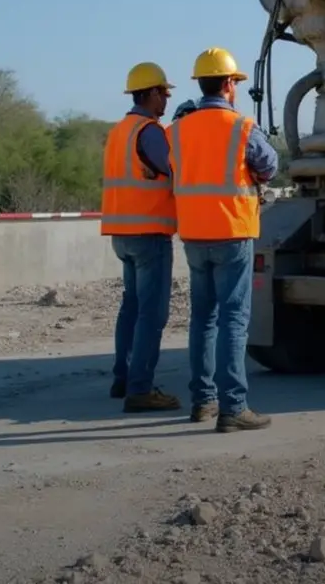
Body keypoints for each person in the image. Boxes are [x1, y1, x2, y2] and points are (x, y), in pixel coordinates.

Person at [169, 47, 279, 432]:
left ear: (200, 84)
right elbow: (269, 166)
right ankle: (234, 407)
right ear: (230, 84)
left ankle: (203, 402)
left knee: (203, 320)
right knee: (234, 319)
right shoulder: (242, 127)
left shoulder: (178, 129)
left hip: (194, 233)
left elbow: (172, 167)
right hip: (232, 231)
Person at [101, 62, 182, 412]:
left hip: (122, 232)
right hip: (149, 232)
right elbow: (175, 168)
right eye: (163, 92)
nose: (165, 99)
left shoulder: (120, 130)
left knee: (131, 308)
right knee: (152, 314)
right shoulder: (149, 131)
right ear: (149, 93)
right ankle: (140, 389)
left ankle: (123, 377)